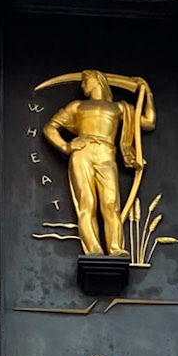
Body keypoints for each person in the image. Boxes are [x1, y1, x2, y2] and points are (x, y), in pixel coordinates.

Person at [42, 69, 155, 257]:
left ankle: (115, 248)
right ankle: (93, 247)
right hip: (83, 152)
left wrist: (147, 93)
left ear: (97, 80)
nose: (82, 85)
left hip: (106, 153)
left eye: (85, 80)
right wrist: (66, 146)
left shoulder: (119, 108)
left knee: (111, 203)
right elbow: (50, 128)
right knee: (87, 202)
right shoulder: (77, 106)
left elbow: (149, 122)